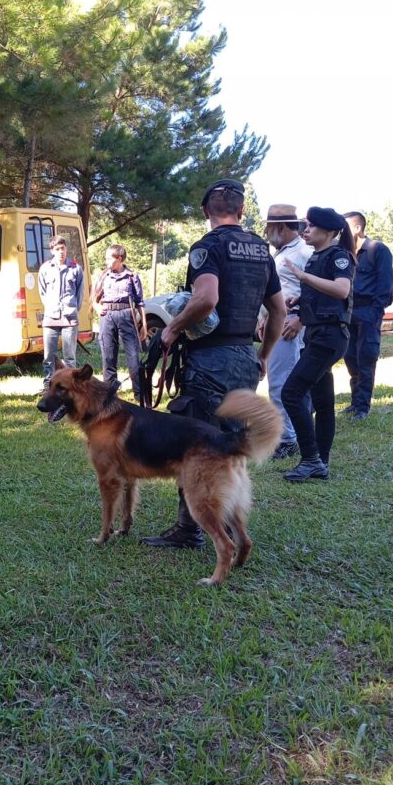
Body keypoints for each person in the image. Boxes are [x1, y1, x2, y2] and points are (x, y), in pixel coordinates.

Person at [140, 178, 286, 549]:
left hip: (210, 360)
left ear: (206, 212)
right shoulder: (260, 250)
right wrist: (264, 355)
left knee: (198, 447)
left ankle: (190, 530)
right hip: (243, 359)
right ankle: (231, 521)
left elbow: (206, 298)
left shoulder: (208, 247)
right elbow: (278, 310)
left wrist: (171, 330)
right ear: (241, 210)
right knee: (229, 447)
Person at [280, 208, 355, 481]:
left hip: (329, 337)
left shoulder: (338, 256)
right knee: (323, 402)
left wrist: (302, 277)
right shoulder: (317, 257)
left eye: (312, 226)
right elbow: (321, 294)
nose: (306, 230)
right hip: (317, 334)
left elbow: (341, 290)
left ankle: (311, 459)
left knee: (291, 393)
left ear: (329, 232)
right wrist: (299, 303)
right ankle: (320, 460)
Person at [260, 203, 313, 459]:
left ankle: (286, 439)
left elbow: (316, 289)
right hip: (281, 319)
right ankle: (294, 434)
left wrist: (301, 318)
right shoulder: (283, 252)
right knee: (290, 382)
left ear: (279, 227)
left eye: (269, 228)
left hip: (291, 323)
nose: (268, 234)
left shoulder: (304, 251)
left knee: (281, 382)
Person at [342, 211, 393, 420]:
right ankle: (355, 403)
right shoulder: (345, 253)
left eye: (345, 227)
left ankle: (362, 407)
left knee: (366, 358)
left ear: (357, 228)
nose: (341, 232)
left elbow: (385, 286)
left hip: (368, 312)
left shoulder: (378, 250)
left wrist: (374, 313)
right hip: (348, 312)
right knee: (350, 359)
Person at [93, 244, 147, 400]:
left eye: (109, 258)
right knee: (108, 356)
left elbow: (140, 302)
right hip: (107, 316)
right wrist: (97, 308)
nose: (106, 261)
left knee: (133, 356)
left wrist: (144, 324)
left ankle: (139, 394)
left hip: (126, 315)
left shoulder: (132, 276)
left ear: (119, 259)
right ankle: (109, 394)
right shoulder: (103, 276)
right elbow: (94, 299)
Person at [38, 235, 85, 387]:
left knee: (69, 357)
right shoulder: (45, 269)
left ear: (66, 249)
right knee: (48, 356)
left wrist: (71, 309)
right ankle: (48, 385)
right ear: (52, 251)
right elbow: (42, 292)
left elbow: (80, 293)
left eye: (63, 248)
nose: (61, 252)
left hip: (69, 318)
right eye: (57, 249)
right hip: (51, 318)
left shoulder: (75, 268)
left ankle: (71, 385)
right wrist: (51, 307)